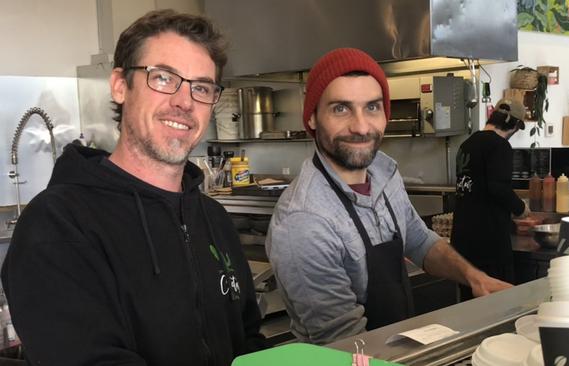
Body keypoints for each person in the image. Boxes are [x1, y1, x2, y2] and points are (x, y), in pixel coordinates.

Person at [1, 9, 263, 366]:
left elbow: (246, 342)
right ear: (120, 86)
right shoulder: (57, 224)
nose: (185, 102)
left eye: (201, 87)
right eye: (163, 78)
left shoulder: (213, 218)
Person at [265, 48, 512, 345]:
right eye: (340, 109)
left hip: (393, 350)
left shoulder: (384, 172)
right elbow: (344, 344)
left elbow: (418, 239)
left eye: (372, 107)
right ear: (313, 118)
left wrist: (475, 278)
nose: (360, 126)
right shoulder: (303, 222)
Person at [451, 98, 530, 301]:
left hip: (462, 241)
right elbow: (498, 187)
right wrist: (521, 208)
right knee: (498, 304)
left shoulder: (467, 144)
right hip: (489, 243)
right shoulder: (499, 146)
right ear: (513, 125)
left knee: (468, 307)